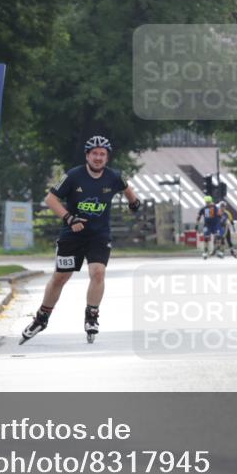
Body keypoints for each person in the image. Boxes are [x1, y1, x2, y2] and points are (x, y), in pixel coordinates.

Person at [21, 135, 140, 345]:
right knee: (60, 278)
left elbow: (129, 191)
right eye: (94, 153)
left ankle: (91, 316)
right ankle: (41, 318)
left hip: (99, 235)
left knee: (98, 272)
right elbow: (50, 198)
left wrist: (134, 203)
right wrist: (69, 217)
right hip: (72, 235)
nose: (98, 158)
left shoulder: (114, 177)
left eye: (102, 154)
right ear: (87, 155)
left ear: (107, 158)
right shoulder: (73, 176)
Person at [195, 195, 223, 259]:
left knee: (218, 237)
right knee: (206, 238)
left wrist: (220, 222)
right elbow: (198, 216)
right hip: (207, 225)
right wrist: (196, 225)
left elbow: (220, 215)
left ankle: (218, 251)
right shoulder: (203, 208)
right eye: (206, 202)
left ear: (211, 202)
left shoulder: (215, 207)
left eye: (208, 202)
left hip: (215, 225)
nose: (207, 203)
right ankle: (205, 251)